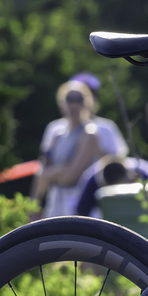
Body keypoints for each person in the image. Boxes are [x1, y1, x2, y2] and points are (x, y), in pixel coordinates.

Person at [31, 80, 106, 218]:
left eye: (78, 99)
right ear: (62, 103)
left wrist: (48, 176)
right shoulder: (56, 133)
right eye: (69, 99)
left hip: (79, 205)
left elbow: (73, 175)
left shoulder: (90, 133)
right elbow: (42, 168)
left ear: (87, 103)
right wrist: (33, 207)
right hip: (54, 203)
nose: (73, 104)